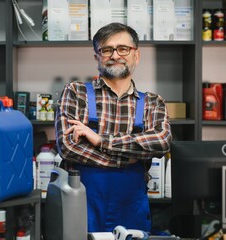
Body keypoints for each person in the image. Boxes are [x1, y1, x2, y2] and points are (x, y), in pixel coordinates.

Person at [55, 22, 172, 233]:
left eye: (123, 48)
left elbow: (161, 142)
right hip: (81, 205)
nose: (115, 55)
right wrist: (129, 157)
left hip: (131, 207)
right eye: (107, 49)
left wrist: (101, 140)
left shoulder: (153, 102)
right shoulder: (75, 92)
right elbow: (68, 147)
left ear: (136, 55)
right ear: (97, 57)